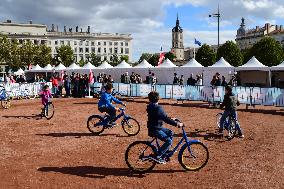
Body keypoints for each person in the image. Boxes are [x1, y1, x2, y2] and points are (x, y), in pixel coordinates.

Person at [146, 91, 184, 164]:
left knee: (170, 132)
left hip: (154, 127)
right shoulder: (158, 108)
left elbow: (161, 117)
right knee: (168, 141)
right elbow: (165, 119)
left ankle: (166, 150)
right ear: (158, 98)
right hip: (155, 129)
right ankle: (158, 156)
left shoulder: (150, 106)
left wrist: (171, 118)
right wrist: (177, 124)